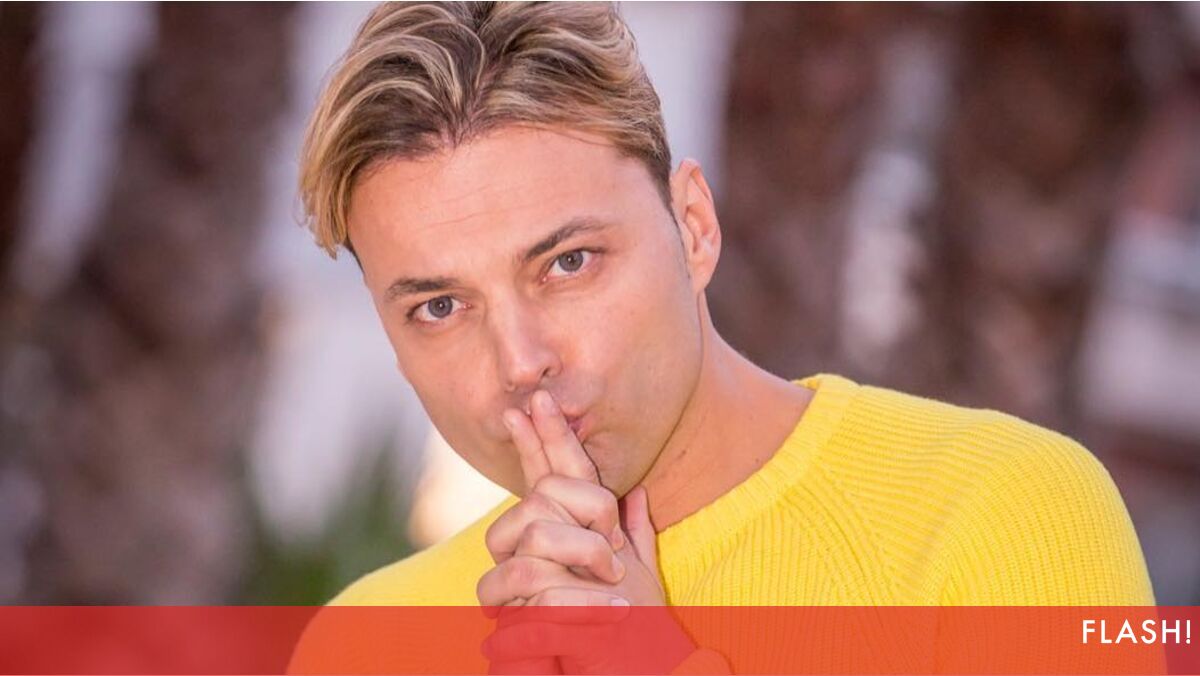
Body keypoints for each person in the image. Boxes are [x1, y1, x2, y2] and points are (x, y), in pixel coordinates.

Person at [291, 2, 1156, 672]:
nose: (520, 363)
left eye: (568, 262)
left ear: (694, 227)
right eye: (440, 307)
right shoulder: (363, 643)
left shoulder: (1005, 516)